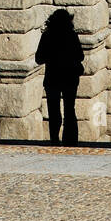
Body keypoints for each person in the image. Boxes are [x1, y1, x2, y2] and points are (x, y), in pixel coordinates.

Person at [34, 8, 84, 145]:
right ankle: (70, 141)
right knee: (69, 109)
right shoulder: (71, 35)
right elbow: (80, 56)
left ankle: (54, 139)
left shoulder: (47, 36)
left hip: (53, 78)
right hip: (69, 77)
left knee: (53, 111)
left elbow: (38, 58)